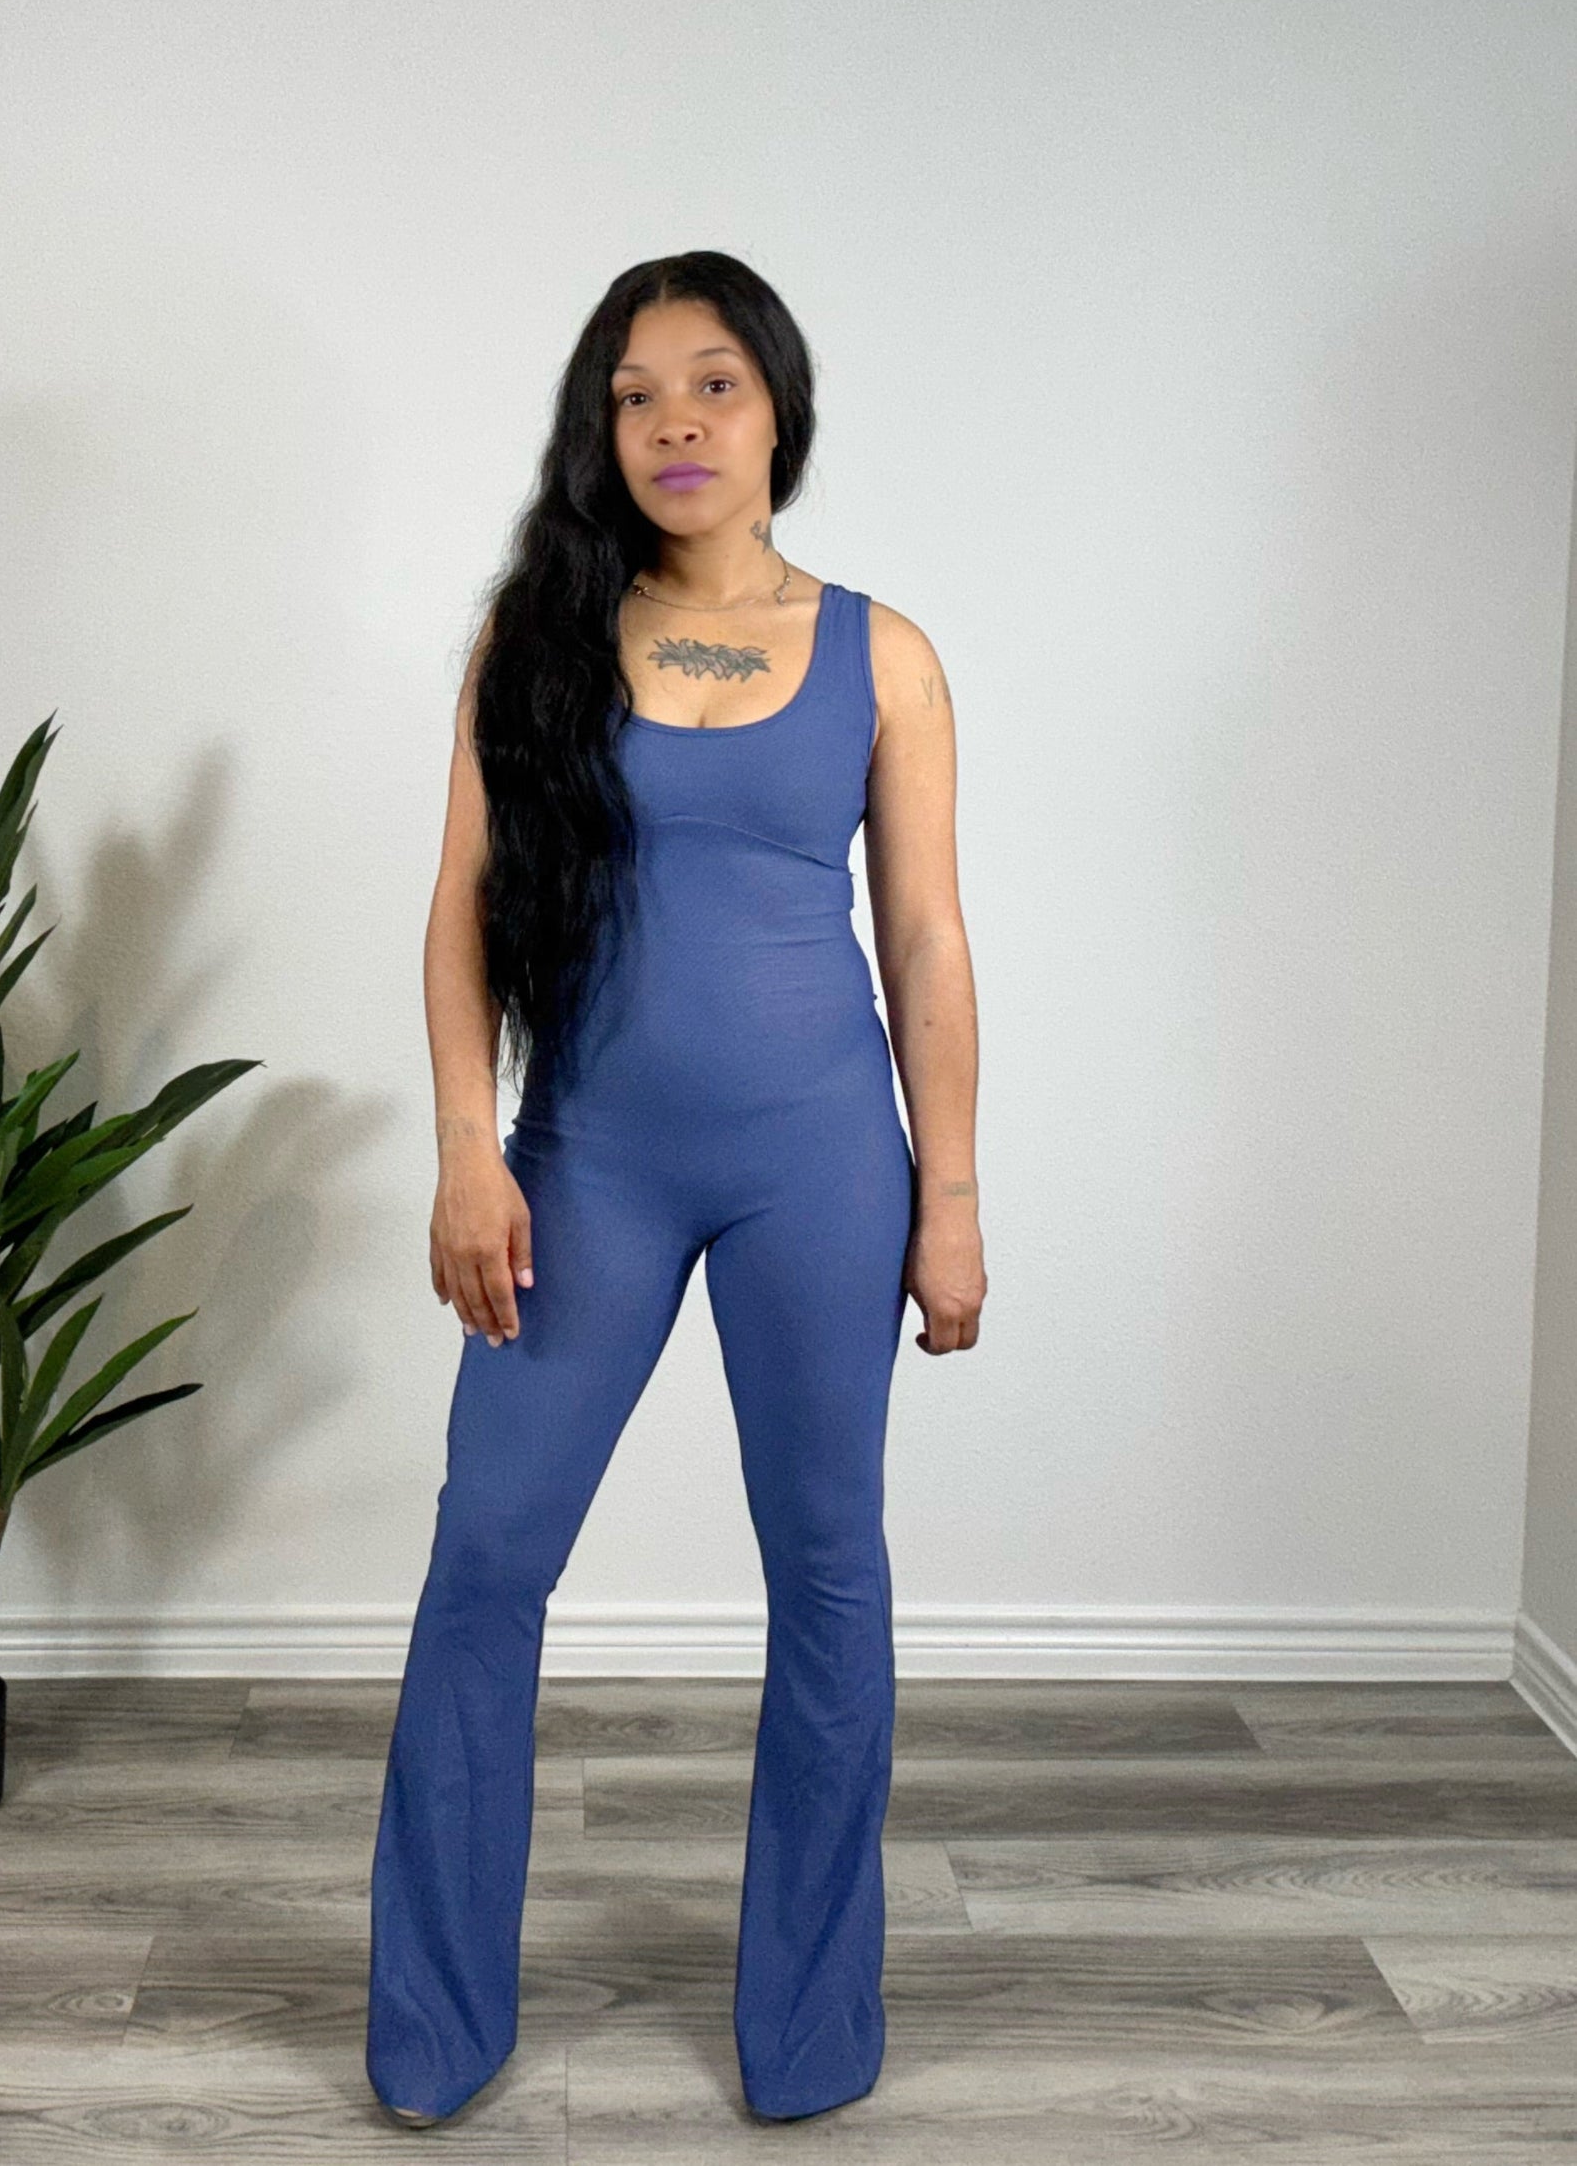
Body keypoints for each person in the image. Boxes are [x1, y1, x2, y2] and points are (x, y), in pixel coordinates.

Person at [366, 249, 985, 2128]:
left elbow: (927, 941)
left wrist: (949, 1194)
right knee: (489, 1553)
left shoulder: (883, 654)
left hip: (822, 1166)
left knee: (827, 1568)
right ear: (600, 431)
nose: (674, 423)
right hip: (587, 1165)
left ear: (777, 406)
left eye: (712, 383)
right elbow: (463, 909)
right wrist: (468, 1148)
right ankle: (437, 2024)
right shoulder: (539, 638)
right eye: (633, 395)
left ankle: (808, 2024)